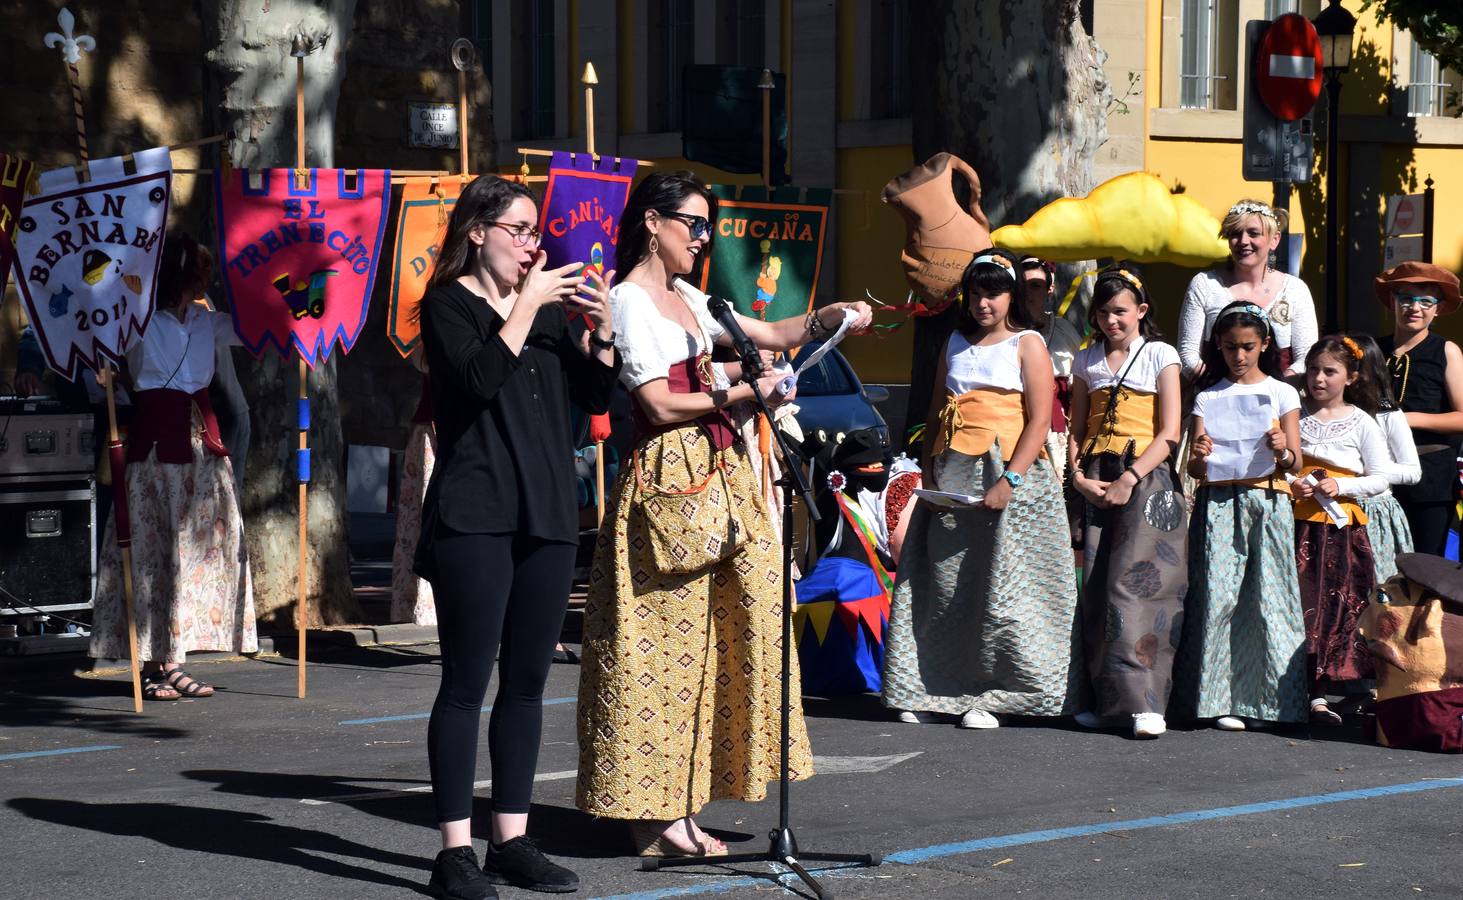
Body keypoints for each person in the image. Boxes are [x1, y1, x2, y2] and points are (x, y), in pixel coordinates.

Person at [575, 170, 871, 858]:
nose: (703, 238)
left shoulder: (686, 295)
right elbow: (656, 403)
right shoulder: (628, 299)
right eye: (694, 224)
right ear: (652, 221)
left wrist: (827, 317)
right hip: (667, 477)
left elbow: (764, 330)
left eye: (708, 226)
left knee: (729, 633)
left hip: (719, 472)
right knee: (662, 649)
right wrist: (737, 397)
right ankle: (652, 818)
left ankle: (685, 801)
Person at [413, 175, 620, 899]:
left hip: (547, 512)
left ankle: (512, 839)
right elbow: (473, 382)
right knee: (466, 684)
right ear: (478, 232)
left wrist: (600, 338)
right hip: (476, 512)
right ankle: (453, 853)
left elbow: (594, 401)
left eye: (538, 233)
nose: (534, 245)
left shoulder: (550, 316)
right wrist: (526, 308)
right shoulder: (447, 305)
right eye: (521, 230)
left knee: (527, 685)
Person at [881, 248, 1078, 730]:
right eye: (976, 292)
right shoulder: (952, 341)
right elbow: (934, 411)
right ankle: (932, 688)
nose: (984, 302)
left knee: (1004, 590)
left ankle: (996, 696)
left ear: (1010, 295)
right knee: (945, 587)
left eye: (994, 292)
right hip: (953, 474)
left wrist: (1009, 480)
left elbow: (1037, 422)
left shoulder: (1028, 343)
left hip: (1009, 475)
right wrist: (928, 470)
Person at [88, 233, 256, 701]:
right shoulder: (137, 319)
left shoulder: (206, 320)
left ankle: (175, 660)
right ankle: (149, 663)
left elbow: (256, 327)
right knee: (151, 552)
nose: (199, 287)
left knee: (193, 554)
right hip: (154, 452)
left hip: (200, 450)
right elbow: (100, 338)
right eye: (194, 279)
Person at [1175, 301, 1307, 730]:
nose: (1239, 355)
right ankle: (1219, 700)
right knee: (1219, 598)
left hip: (1267, 500)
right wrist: (1198, 456)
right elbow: (1197, 471)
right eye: (1231, 346)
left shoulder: (1282, 391)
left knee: (1270, 599)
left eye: (1248, 346)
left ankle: (1273, 702)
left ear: (1265, 344)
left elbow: (1295, 463)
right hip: (1218, 503)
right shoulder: (1209, 397)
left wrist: (1280, 449)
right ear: (1218, 345)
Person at [1067, 264, 1186, 739]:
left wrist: (1131, 477)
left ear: (1141, 310)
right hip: (1096, 475)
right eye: (1102, 312)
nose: (1111, 320)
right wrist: (1077, 476)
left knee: (1140, 587)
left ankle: (1147, 702)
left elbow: (1170, 431)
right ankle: (1109, 701)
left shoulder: (1160, 354)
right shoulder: (1086, 361)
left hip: (1146, 477)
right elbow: (1076, 429)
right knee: (1097, 588)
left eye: (1120, 311)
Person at [1291, 337, 1391, 725]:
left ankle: (1335, 689)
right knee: (1299, 607)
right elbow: (1277, 462)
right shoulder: (1294, 414)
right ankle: (1303, 690)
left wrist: (1342, 485)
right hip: (1297, 525)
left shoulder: (1361, 421)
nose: (1318, 378)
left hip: (1339, 532)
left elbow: (1380, 478)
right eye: (1313, 369)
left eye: (1329, 371)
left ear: (1350, 377)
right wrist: (1291, 482)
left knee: (1337, 609)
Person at [1374, 262, 1463, 557]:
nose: (1415, 308)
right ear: (1392, 302)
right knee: (1379, 566)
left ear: (1437, 309)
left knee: (1426, 568)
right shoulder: (1372, 350)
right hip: (1378, 475)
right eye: (1406, 298)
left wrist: (1408, 419)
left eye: (1426, 301)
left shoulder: (1446, 350)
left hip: (1431, 479)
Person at [1176, 199, 1317, 380]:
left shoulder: (1295, 290)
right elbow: (1187, 354)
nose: (1243, 241)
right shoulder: (1205, 284)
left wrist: (1278, 391)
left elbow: (1306, 357)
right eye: (1235, 233)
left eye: (1253, 233)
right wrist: (1216, 388)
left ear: (1274, 240)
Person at [1350, 333, 1420, 582]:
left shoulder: (1387, 414)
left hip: (1373, 513)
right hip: (1330, 512)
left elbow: (1413, 471)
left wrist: (1368, 471)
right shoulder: (1324, 412)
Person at [1020, 255, 1082, 479]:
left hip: (1056, 428)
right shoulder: (1006, 330)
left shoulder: (1063, 330)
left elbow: (1079, 381)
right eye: (1023, 285)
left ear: (1049, 288)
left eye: (1035, 286)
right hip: (1016, 419)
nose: (1028, 292)